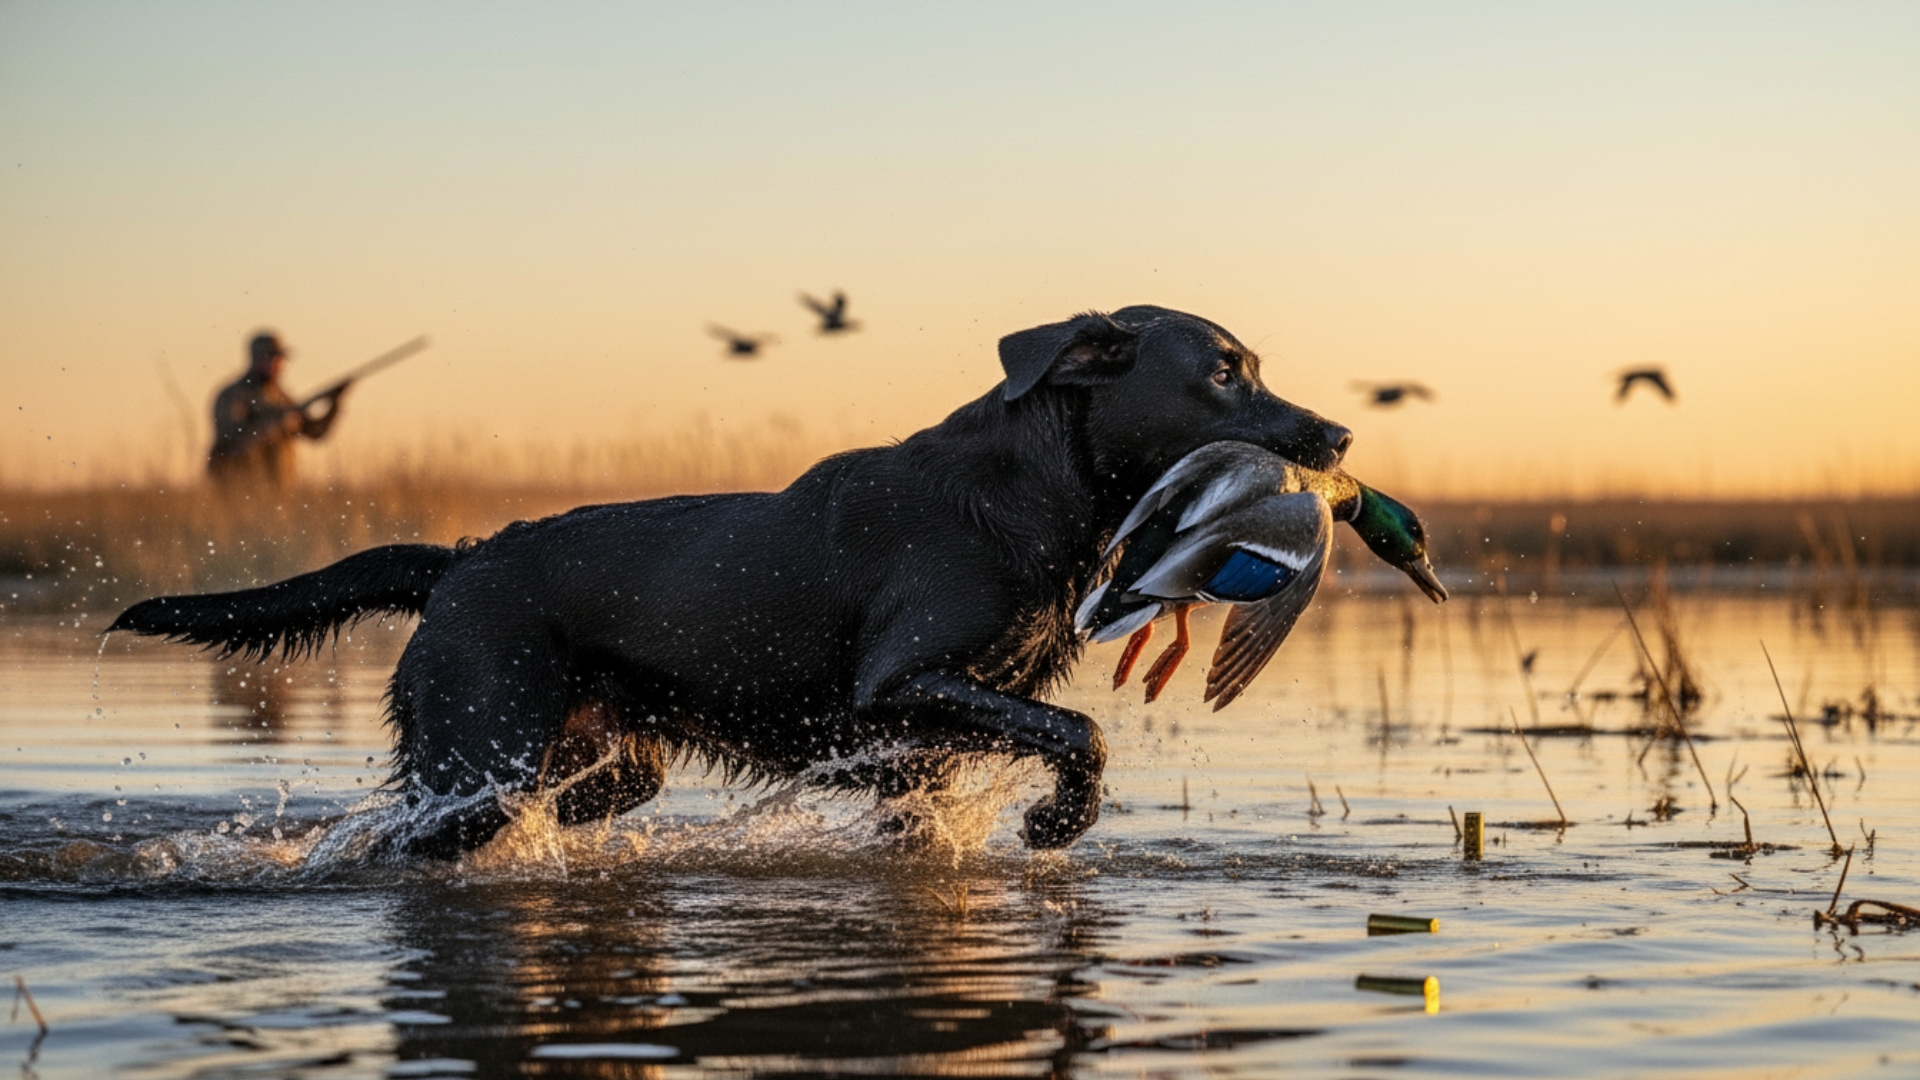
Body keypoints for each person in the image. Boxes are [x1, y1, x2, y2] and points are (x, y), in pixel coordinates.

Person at [206, 331, 347, 487]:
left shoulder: (281, 397)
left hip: (278, 492)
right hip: (238, 490)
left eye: (279, 358)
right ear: (255, 358)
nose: (277, 363)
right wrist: (277, 425)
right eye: (270, 357)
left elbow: (316, 432)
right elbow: (232, 444)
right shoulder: (234, 395)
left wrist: (335, 403)